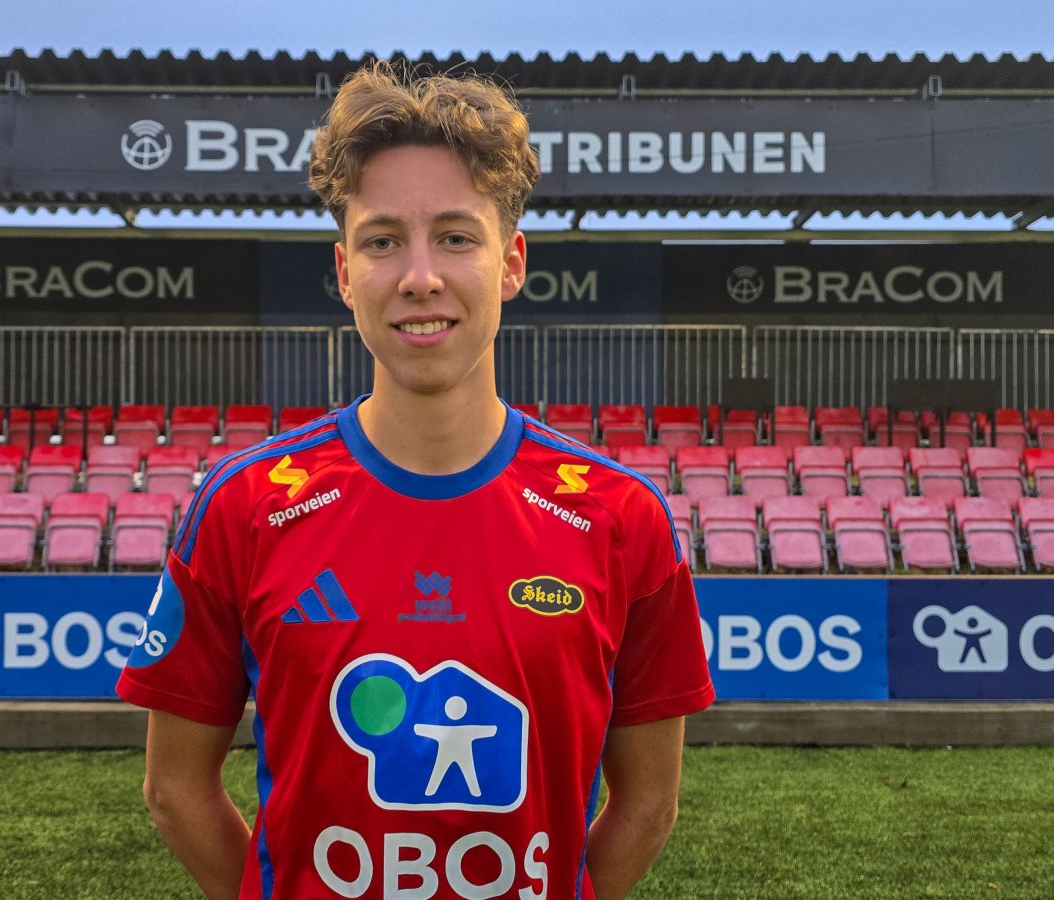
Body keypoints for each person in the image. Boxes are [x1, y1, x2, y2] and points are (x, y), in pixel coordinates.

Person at [117, 60, 715, 900]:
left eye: (457, 237)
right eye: (383, 240)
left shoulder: (623, 516)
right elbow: (174, 789)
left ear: (510, 263)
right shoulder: (245, 505)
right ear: (344, 271)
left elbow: (649, 805)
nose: (420, 276)